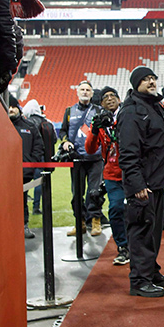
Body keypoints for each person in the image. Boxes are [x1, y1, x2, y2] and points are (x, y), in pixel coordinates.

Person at [118, 66, 164, 298]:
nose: (151, 82)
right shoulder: (133, 111)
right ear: (136, 84)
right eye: (145, 79)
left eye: (153, 78)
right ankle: (139, 281)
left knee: (153, 230)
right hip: (143, 184)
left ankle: (150, 271)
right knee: (141, 231)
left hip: (156, 181)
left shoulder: (152, 106)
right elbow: (129, 153)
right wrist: (137, 184)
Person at [86, 88, 130, 266]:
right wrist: (95, 130)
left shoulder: (127, 117)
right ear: (101, 103)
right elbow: (89, 149)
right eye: (106, 97)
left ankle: (140, 244)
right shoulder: (100, 122)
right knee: (115, 209)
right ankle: (123, 247)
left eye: (113, 96)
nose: (110, 99)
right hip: (112, 174)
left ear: (120, 100)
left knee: (139, 210)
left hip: (132, 171)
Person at [60, 81, 105, 237]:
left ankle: (96, 222)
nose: (85, 92)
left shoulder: (99, 110)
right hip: (77, 159)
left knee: (95, 192)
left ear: (92, 94)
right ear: (77, 92)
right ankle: (80, 224)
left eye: (88, 90)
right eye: (82, 89)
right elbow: (63, 131)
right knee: (76, 194)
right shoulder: (69, 111)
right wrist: (65, 141)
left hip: (95, 159)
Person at [10, 96, 44, 239]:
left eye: (13, 107)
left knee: (22, 200)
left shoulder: (29, 126)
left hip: (24, 172)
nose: (11, 110)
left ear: (19, 108)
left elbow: (39, 146)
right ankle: (7, 228)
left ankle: (24, 226)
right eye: (8, 107)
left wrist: (31, 162)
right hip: (3, 173)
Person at [23, 99, 55, 215]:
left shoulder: (27, 123)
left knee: (25, 183)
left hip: (29, 158)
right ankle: (37, 206)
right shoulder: (47, 123)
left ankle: (25, 208)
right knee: (39, 182)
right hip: (44, 158)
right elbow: (54, 139)